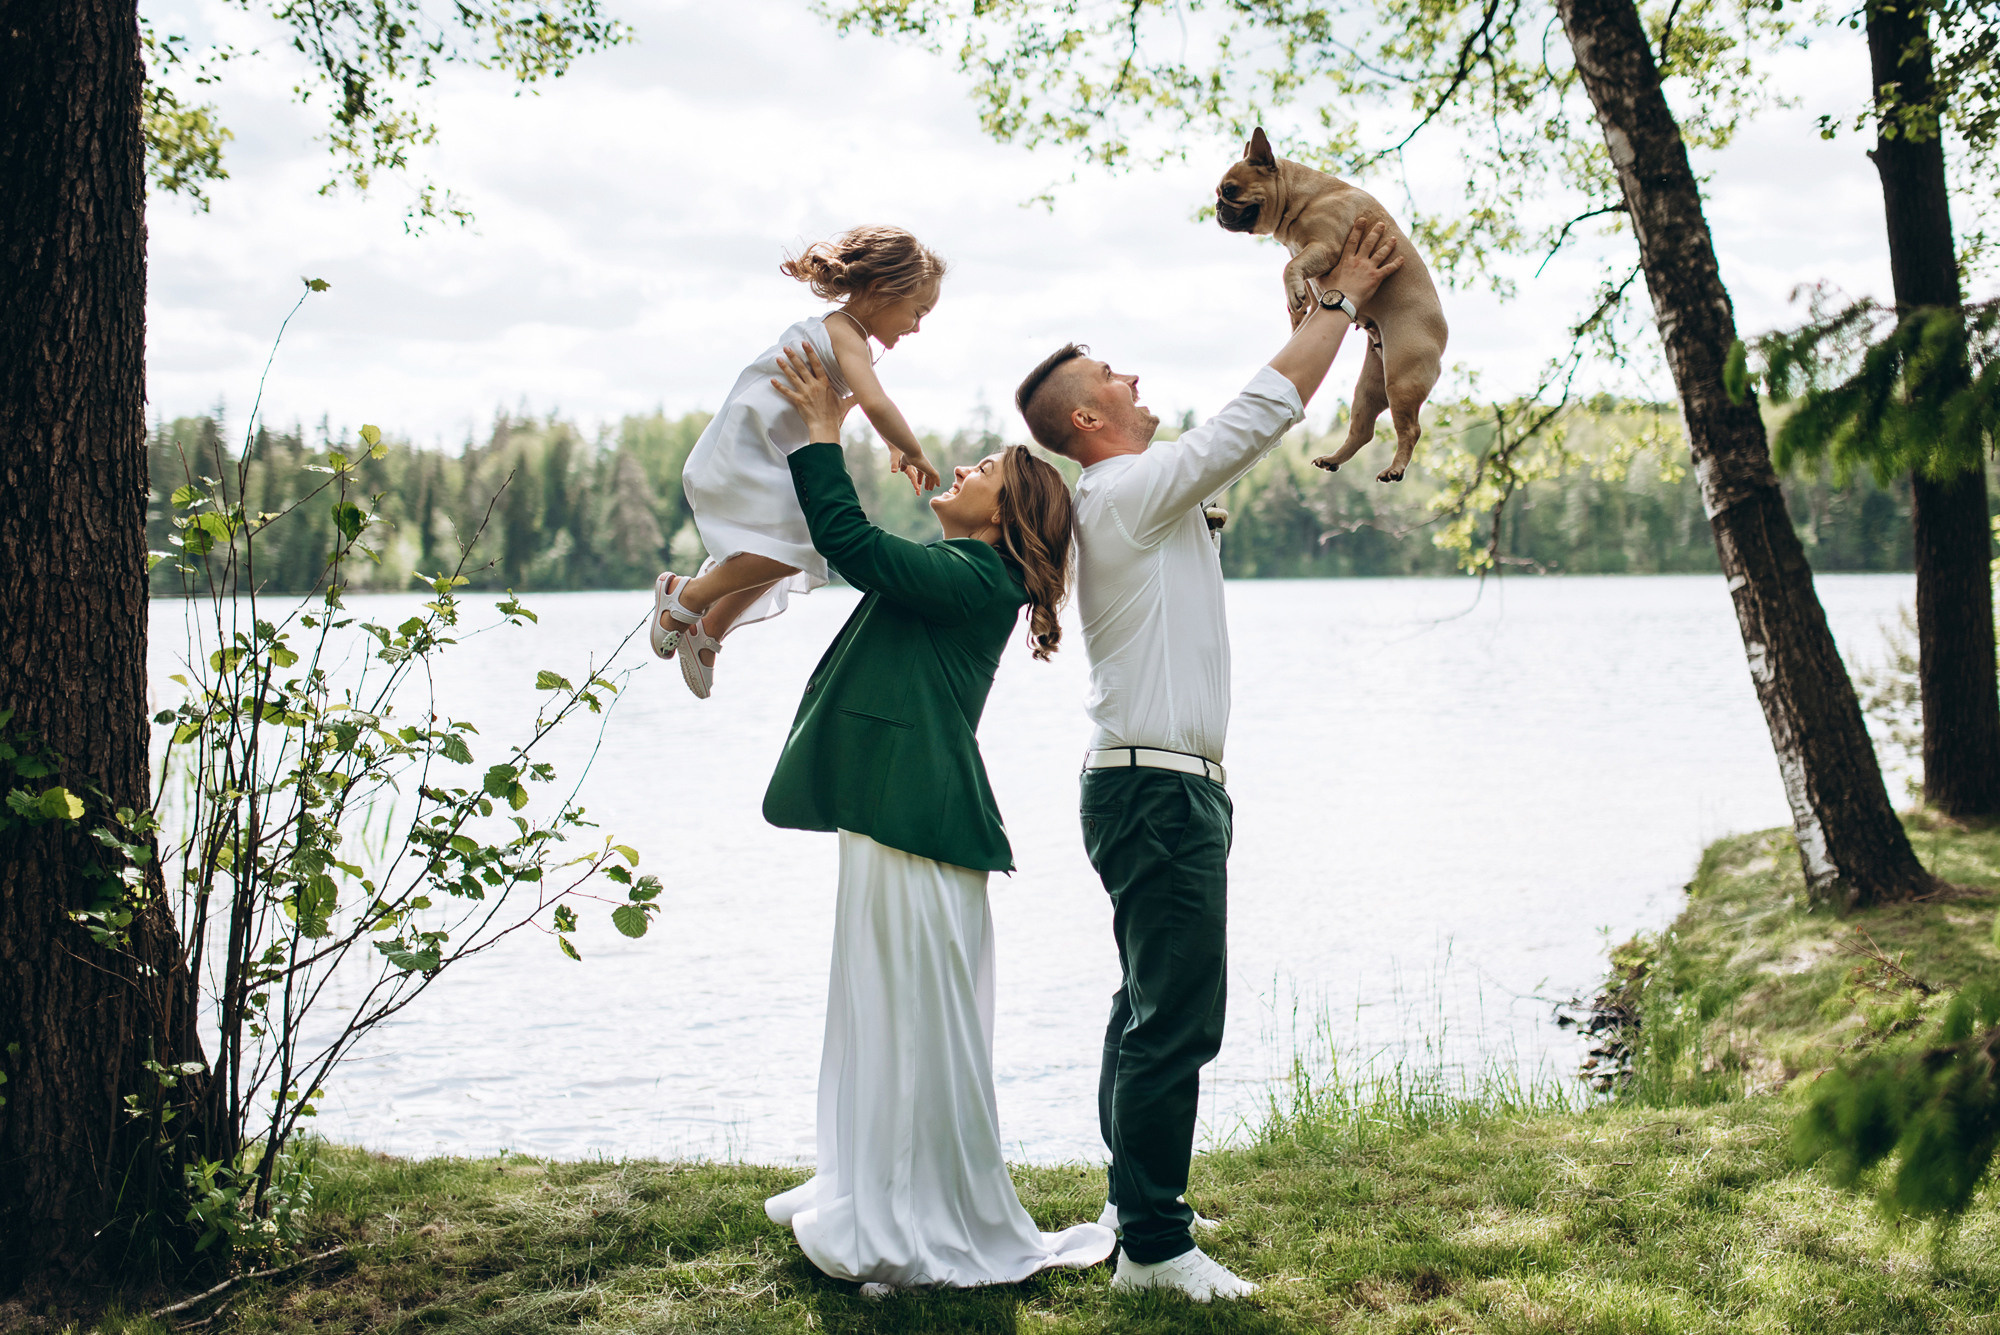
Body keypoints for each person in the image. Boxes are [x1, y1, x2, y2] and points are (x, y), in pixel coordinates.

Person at [1011, 219, 1406, 1301]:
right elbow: (1258, 413)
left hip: (1153, 786)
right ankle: (1152, 1247)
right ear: (1086, 420)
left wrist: (1312, 329)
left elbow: (1252, 417)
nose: (1135, 377)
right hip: (1152, 791)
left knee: (1145, 1003)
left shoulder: (1133, 497)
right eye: (1112, 375)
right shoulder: (1122, 491)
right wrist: (1339, 307)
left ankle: (1130, 1206)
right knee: (1176, 1018)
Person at [756, 344, 1116, 1292]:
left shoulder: (979, 577)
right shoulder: (968, 570)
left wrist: (824, 434)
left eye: (983, 471)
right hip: (895, 818)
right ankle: (872, 1180)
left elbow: (856, 549)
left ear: (1005, 514)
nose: (962, 472)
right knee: (880, 1008)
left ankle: (914, 1210)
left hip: (919, 826)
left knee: (909, 1018)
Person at [651, 225, 947, 699]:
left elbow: (846, 403)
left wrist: (889, 443)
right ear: (881, 290)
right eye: (917, 311)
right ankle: (686, 597)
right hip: (745, 452)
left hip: (768, 454)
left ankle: (708, 631)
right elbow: (876, 402)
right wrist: (911, 448)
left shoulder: (848, 339)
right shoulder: (843, 331)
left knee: (804, 546)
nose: (916, 326)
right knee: (801, 544)